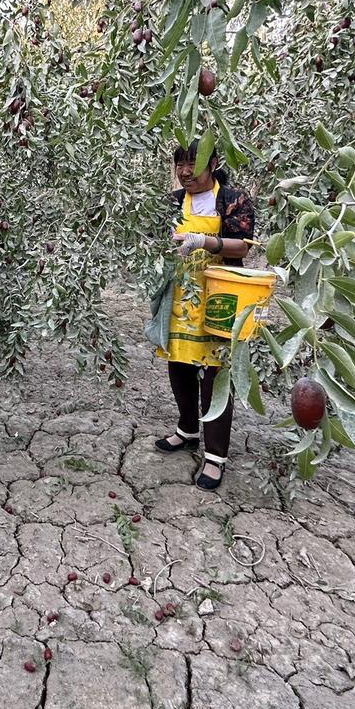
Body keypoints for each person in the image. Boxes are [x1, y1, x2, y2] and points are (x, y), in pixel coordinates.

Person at [151, 142, 256, 491]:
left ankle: (216, 456)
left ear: (213, 162)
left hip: (220, 297)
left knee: (215, 373)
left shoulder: (232, 199)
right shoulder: (171, 203)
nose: (184, 172)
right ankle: (187, 431)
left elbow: (244, 245)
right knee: (178, 363)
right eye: (179, 163)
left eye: (192, 164)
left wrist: (205, 242)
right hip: (180, 296)